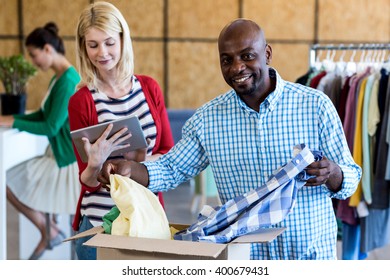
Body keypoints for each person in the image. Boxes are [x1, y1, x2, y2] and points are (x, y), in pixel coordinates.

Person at [98, 19, 362, 260]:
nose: (237, 67)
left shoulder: (315, 105)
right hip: (244, 259)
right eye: (227, 60)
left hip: (309, 257)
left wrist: (334, 173)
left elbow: (351, 177)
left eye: (247, 56)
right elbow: (171, 169)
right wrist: (131, 170)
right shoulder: (207, 119)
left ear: (267, 54)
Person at [68, 1, 174, 260]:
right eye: (92, 45)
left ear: (122, 39)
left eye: (109, 42)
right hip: (99, 223)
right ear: (83, 47)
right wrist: (94, 163)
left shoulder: (149, 88)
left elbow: (169, 153)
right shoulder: (81, 101)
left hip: (146, 218)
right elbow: (89, 181)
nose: (102, 53)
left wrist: (139, 162)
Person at [0, 22, 81, 259]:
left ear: (48, 49)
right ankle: (48, 229)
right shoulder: (59, 78)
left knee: (6, 182)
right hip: (56, 155)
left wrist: (12, 122)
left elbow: (50, 126)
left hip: (65, 161)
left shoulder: (67, 81)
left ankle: (47, 229)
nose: (33, 62)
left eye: (34, 55)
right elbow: (44, 115)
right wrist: (11, 117)